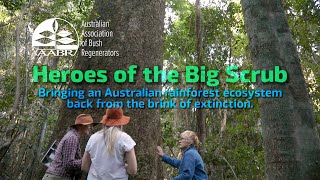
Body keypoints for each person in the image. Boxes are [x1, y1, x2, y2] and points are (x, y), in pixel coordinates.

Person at [81, 108, 137, 180]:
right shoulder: (125, 139)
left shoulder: (93, 138)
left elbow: (84, 167)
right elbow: (132, 171)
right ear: (120, 122)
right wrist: (124, 166)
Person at [43, 114, 96, 180]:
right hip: (57, 177)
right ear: (81, 125)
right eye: (89, 125)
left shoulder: (74, 136)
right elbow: (68, 164)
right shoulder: (72, 137)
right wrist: (85, 161)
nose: (91, 127)